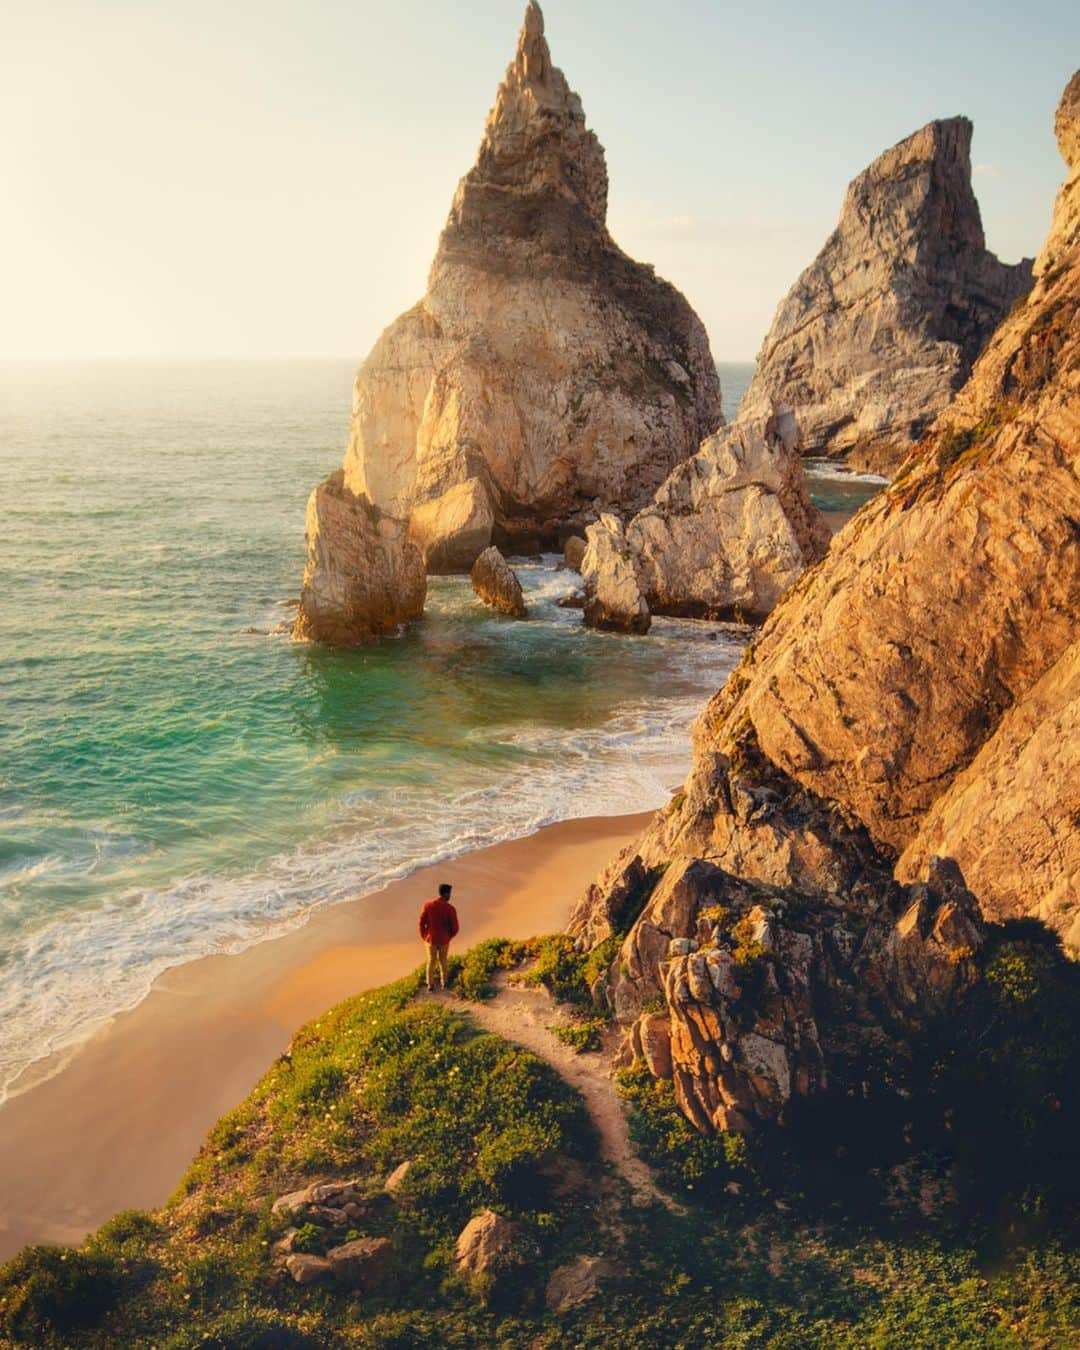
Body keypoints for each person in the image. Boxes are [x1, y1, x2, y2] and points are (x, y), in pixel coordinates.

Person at [418, 882, 459, 991]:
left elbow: (421, 922)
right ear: (446, 894)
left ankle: (430, 985)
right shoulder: (450, 909)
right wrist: (448, 936)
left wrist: (424, 935)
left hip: (430, 939)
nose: (450, 896)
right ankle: (444, 982)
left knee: (431, 961)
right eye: (449, 893)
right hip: (444, 939)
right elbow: (455, 927)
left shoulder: (428, 905)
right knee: (443, 961)